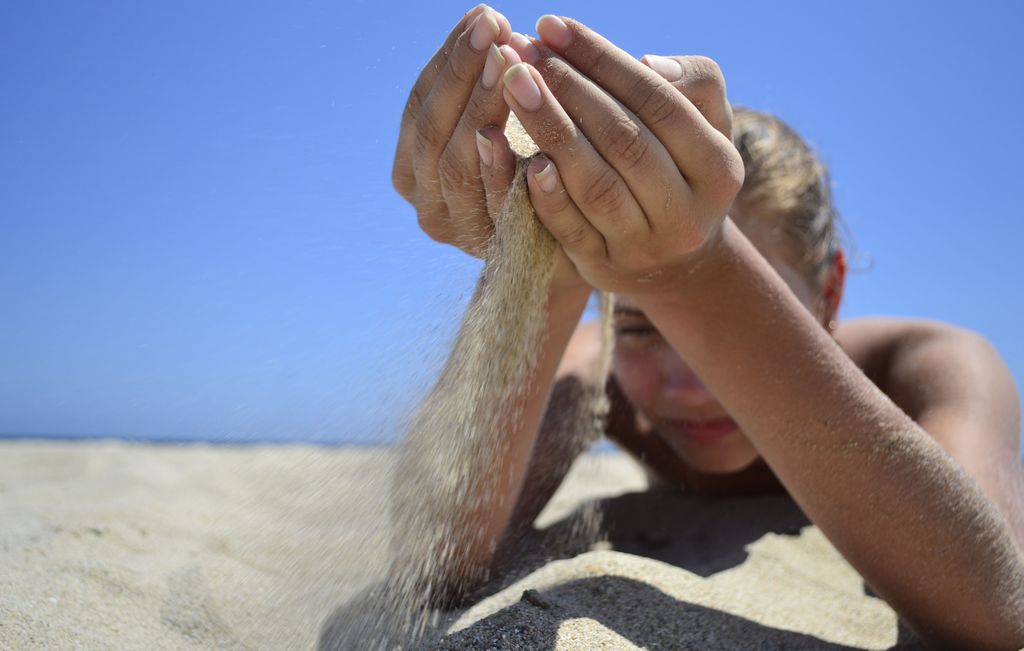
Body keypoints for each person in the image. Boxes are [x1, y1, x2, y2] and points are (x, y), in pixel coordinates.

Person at [390, 5, 1024, 648]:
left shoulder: (925, 364)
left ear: (830, 288)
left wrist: (701, 272)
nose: (689, 383)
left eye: (759, 300)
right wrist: (539, 263)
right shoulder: (598, 376)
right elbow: (438, 563)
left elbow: (997, 613)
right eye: (639, 326)